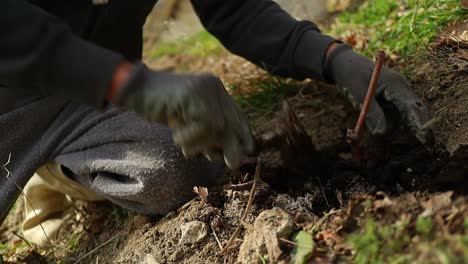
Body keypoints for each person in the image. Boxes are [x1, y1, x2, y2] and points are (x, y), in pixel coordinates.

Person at [0, 0, 432, 246]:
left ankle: (60, 170)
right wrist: (130, 84)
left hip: (95, 96)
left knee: (179, 163)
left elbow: (234, 7)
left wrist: (330, 57)